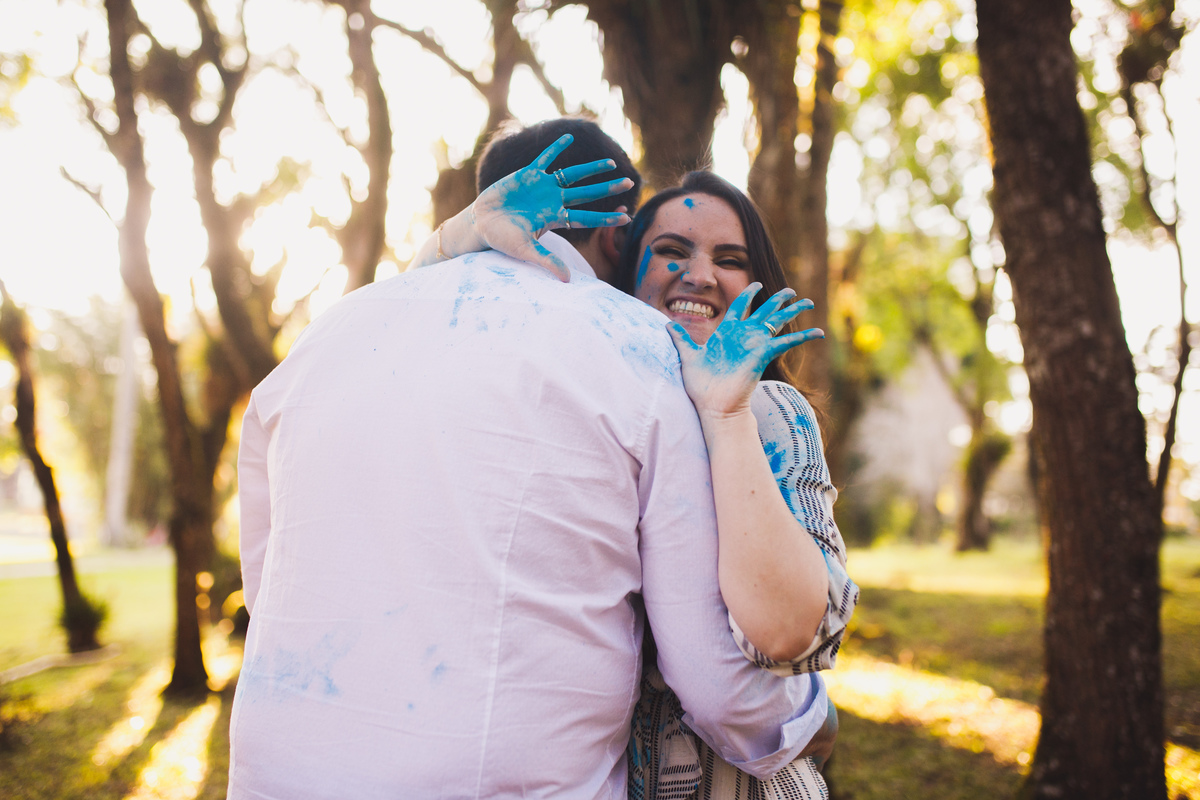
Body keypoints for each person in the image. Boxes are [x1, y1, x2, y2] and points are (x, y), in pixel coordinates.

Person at [229, 118, 831, 800]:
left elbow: (269, 584)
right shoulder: (647, 353)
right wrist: (810, 721)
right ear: (617, 234)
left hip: (276, 779)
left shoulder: (321, 341)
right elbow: (723, 691)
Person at [417, 129, 859, 799]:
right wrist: (460, 232)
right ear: (625, 266)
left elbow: (787, 630)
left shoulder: (769, 412)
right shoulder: (591, 397)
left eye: (730, 258)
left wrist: (726, 413)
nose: (700, 274)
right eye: (672, 251)